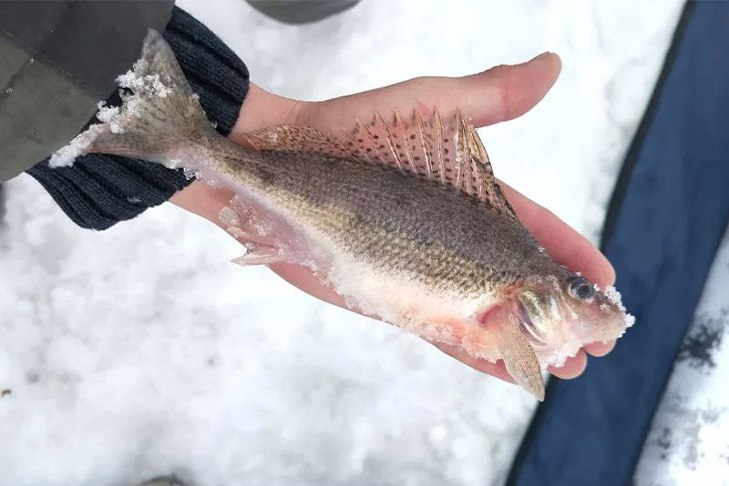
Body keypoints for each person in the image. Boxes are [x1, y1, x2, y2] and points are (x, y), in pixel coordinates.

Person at [0, 1, 616, 483]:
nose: (596, 306)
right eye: (581, 291)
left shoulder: (510, 280)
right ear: (540, 289)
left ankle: (161, 130)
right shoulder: (512, 291)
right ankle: (175, 135)